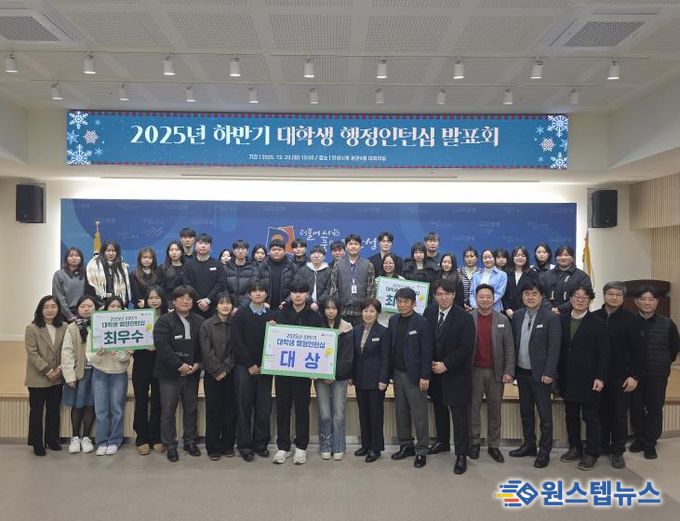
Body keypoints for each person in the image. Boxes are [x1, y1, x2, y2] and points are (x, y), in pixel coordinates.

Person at [423, 279, 475, 475]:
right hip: (434, 372)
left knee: (459, 416)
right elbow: (426, 340)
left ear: (454, 295)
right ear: (434, 296)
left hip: (456, 373)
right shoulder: (429, 312)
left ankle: (461, 454)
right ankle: (442, 442)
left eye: (447, 294)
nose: (443, 298)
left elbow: (466, 348)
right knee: (439, 409)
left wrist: (446, 365)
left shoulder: (464, 317)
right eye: (439, 294)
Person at [509, 280, 561, 468]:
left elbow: (554, 347)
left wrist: (549, 372)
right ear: (522, 296)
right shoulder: (517, 316)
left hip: (541, 375)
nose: (530, 297)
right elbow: (513, 344)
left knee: (544, 416)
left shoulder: (550, 317)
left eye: (534, 294)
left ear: (541, 296)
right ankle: (529, 445)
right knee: (526, 412)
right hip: (522, 373)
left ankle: (544, 451)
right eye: (527, 294)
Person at [558, 284, 610, 471]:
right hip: (567, 377)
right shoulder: (562, 320)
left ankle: (592, 452)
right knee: (571, 415)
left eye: (585, 297)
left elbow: (605, 353)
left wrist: (601, 377)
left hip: (590, 378)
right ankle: (575, 448)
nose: (580, 300)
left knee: (591, 417)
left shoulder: (598, 322)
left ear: (590, 300)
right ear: (570, 298)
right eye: (576, 296)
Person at [271, 280, 323, 465]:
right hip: (283, 370)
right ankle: (283, 447)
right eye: (294, 292)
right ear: (290, 294)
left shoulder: (315, 317)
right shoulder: (280, 314)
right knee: (282, 408)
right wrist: (272, 329)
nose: (298, 295)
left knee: (302, 408)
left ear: (307, 294)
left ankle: (301, 447)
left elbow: (320, 343)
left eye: (302, 292)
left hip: (303, 372)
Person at [592, 281, 643, 468]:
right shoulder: (593, 317)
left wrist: (634, 376)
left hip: (621, 376)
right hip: (598, 375)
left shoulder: (632, 319)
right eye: (611, 294)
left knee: (619, 415)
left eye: (618, 295)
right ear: (604, 295)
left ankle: (617, 451)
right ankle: (602, 446)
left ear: (623, 298)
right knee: (600, 413)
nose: (614, 297)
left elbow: (638, 351)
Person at [153, 285, 204, 462]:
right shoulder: (164, 321)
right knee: (168, 411)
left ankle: (190, 441)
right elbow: (162, 346)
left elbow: (203, 345)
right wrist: (179, 365)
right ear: (173, 301)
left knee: (191, 409)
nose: (185, 301)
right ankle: (170, 445)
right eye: (181, 298)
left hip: (192, 373)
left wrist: (198, 363)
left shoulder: (199, 320)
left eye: (189, 298)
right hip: (169, 374)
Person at [630, 285, 680, 459]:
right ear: (636, 301)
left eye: (651, 299)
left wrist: (663, 362)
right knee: (636, 408)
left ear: (657, 302)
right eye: (643, 299)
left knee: (655, 408)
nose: (647, 303)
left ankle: (650, 442)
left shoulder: (668, 324)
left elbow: (674, 348)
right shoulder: (630, 322)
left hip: (657, 373)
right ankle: (639, 438)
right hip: (634, 375)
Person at [469, 284, 515, 463]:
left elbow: (509, 347)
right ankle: (474, 442)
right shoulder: (469, 317)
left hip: (496, 372)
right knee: (473, 408)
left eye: (488, 296)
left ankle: (494, 445)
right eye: (481, 296)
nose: (485, 300)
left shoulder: (502, 319)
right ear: (476, 298)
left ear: (494, 298)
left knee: (495, 409)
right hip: (474, 371)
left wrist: (509, 371)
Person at [388, 287, 433, 469]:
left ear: (414, 303)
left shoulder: (422, 322)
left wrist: (425, 376)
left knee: (419, 414)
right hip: (397, 374)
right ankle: (406, 446)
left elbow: (427, 352)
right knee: (401, 413)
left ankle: (421, 450)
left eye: (406, 301)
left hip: (415, 376)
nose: (402, 305)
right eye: (399, 301)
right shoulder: (393, 320)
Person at [232, 280, 274, 461]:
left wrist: (266, 364)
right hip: (245, 368)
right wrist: (250, 365)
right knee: (244, 407)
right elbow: (237, 342)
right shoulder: (240, 315)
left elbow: (276, 342)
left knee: (264, 409)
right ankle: (244, 446)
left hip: (265, 368)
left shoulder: (272, 316)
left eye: (261, 290)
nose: (258, 293)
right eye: (254, 291)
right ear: (249, 294)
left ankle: (261, 444)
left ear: (266, 293)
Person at [88, 296, 130, 456]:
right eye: (112, 306)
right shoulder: (96, 328)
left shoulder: (127, 328)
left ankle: (114, 441)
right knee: (101, 410)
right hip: (100, 373)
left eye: (118, 306)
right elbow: (90, 358)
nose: (115, 309)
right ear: (106, 309)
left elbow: (125, 359)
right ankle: (102, 441)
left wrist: (121, 354)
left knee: (117, 409)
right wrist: (99, 353)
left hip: (119, 374)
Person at [25, 295, 67, 456]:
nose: (50, 310)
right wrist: (48, 371)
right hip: (38, 376)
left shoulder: (64, 326)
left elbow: (67, 350)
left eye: (53, 306)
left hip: (58, 375)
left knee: (53, 409)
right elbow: (32, 353)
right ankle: (37, 443)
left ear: (58, 309)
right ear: (40, 310)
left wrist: (60, 369)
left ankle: (52, 439)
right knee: (36, 411)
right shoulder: (32, 328)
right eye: (46, 307)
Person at [199, 292, 237, 461]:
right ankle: (213, 447)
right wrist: (217, 370)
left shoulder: (235, 323)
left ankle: (228, 445)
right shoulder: (206, 325)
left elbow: (236, 349)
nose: (225, 306)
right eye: (221, 303)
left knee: (230, 410)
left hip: (230, 373)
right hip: (212, 375)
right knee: (213, 410)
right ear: (215, 306)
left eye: (228, 303)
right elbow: (206, 351)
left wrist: (226, 368)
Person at [315, 297, 353, 461]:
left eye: (334, 308)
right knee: (324, 414)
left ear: (339, 310)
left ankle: (338, 447)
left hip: (340, 377)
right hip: (320, 377)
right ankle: (325, 446)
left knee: (338, 414)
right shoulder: (317, 327)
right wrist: (324, 374)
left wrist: (334, 374)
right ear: (323, 310)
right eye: (327, 308)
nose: (331, 311)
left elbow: (347, 357)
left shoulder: (346, 327)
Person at [352, 298, 390, 463]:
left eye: (372, 311)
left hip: (376, 381)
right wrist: (351, 376)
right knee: (363, 413)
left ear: (377, 313)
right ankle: (365, 445)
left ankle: (376, 448)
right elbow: (354, 356)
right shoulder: (356, 330)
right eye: (365, 311)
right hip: (360, 379)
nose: (368, 314)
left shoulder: (383, 332)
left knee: (375, 415)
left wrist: (384, 379)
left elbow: (386, 358)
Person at [61, 295, 98, 455]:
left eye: (90, 306)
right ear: (78, 309)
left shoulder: (102, 324)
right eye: (83, 306)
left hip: (97, 372)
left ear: (96, 308)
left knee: (91, 405)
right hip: (79, 373)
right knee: (78, 405)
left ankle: (86, 437)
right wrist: (69, 375)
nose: (86, 309)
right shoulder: (72, 328)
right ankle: (75, 437)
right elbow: (66, 353)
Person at [132, 286, 165, 455]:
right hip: (142, 361)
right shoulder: (138, 316)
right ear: (145, 300)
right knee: (141, 400)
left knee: (158, 401)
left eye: (157, 297)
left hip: (161, 362)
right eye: (151, 298)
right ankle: (141, 438)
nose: (154, 301)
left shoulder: (168, 316)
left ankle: (156, 437)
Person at [330, 234, 376, 326]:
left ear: (360, 246)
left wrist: (367, 309)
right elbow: (334, 287)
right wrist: (337, 306)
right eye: (350, 244)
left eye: (356, 244)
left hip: (361, 311)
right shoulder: (338, 265)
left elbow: (371, 288)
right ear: (346, 247)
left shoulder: (368, 264)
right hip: (342, 310)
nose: (353, 246)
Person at [182, 233, 225, 318]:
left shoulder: (217, 264)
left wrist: (208, 300)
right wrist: (199, 301)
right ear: (195, 246)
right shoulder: (188, 265)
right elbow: (187, 284)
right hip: (194, 306)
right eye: (200, 243)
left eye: (206, 243)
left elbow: (221, 284)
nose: (203, 246)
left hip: (213, 306)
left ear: (210, 247)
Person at [542, 245, 592, 315]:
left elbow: (583, 296)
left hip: (573, 314)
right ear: (555, 257)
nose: (563, 257)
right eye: (560, 255)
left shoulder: (582, 276)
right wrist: (551, 308)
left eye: (566, 255)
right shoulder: (546, 275)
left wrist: (561, 309)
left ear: (572, 257)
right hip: (548, 314)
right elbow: (540, 294)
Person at [85, 240, 131, 307]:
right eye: (108, 250)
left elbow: (125, 292)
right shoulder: (93, 266)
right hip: (99, 306)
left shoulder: (123, 267)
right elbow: (90, 290)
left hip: (118, 307)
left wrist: (120, 305)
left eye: (113, 251)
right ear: (103, 252)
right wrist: (102, 306)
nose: (111, 253)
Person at [502, 246, 539, 318]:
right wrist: (507, 308)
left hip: (526, 312)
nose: (520, 258)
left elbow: (535, 293)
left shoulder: (533, 274)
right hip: (507, 313)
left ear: (527, 258)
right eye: (517, 255)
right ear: (513, 257)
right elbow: (502, 293)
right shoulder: (505, 273)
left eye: (523, 255)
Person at [258, 239, 295, 310]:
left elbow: (297, 287)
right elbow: (255, 286)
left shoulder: (292, 267)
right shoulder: (262, 266)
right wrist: (262, 301)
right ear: (269, 251)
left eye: (279, 250)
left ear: (284, 251)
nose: (276, 252)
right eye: (273, 250)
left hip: (287, 307)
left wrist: (287, 301)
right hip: (265, 306)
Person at [52, 247, 86, 322]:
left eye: (77, 255)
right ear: (66, 258)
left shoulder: (86, 274)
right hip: (64, 314)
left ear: (81, 258)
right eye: (71, 255)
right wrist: (69, 315)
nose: (74, 258)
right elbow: (59, 296)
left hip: (84, 312)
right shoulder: (59, 274)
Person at [294, 245, 331, 312]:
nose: (316, 256)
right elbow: (300, 287)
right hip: (304, 305)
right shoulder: (303, 270)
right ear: (310, 256)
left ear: (324, 257)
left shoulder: (329, 271)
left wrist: (318, 303)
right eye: (313, 253)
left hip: (323, 306)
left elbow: (328, 289)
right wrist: (310, 302)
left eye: (319, 253)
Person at [224, 239, 259, 309]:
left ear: (247, 251)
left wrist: (241, 307)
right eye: (237, 248)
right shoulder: (226, 267)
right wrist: (231, 306)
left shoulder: (254, 268)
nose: (240, 251)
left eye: (243, 248)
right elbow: (223, 288)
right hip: (228, 307)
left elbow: (252, 289)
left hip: (247, 308)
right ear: (233, 251)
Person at [158, 240, 185, 309]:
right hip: (166, 303)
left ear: (182, 252)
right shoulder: (162, 268)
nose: (174, 252)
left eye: (177, 250)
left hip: (183, 302)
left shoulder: (186, 268)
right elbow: (159, 288)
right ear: (168, 252)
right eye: (171, 250)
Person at [458, 247, 479, 311]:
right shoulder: (458, 272)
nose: (469, 259)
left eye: (472, 256)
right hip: (460, 306)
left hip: (477, 307)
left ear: (477, 258)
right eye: (466, 257)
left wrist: (474, 306)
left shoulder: (481, 273)